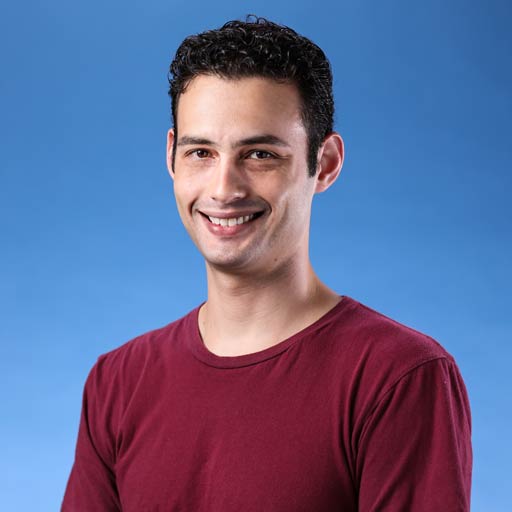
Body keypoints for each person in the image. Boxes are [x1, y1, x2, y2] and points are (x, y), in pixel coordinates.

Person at [62, 16, 472, 511]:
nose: (223, 189)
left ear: (325, 163)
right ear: (171, 157)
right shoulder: (116, 382)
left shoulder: (398, 378)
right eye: (201, 152)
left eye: (259, 154)